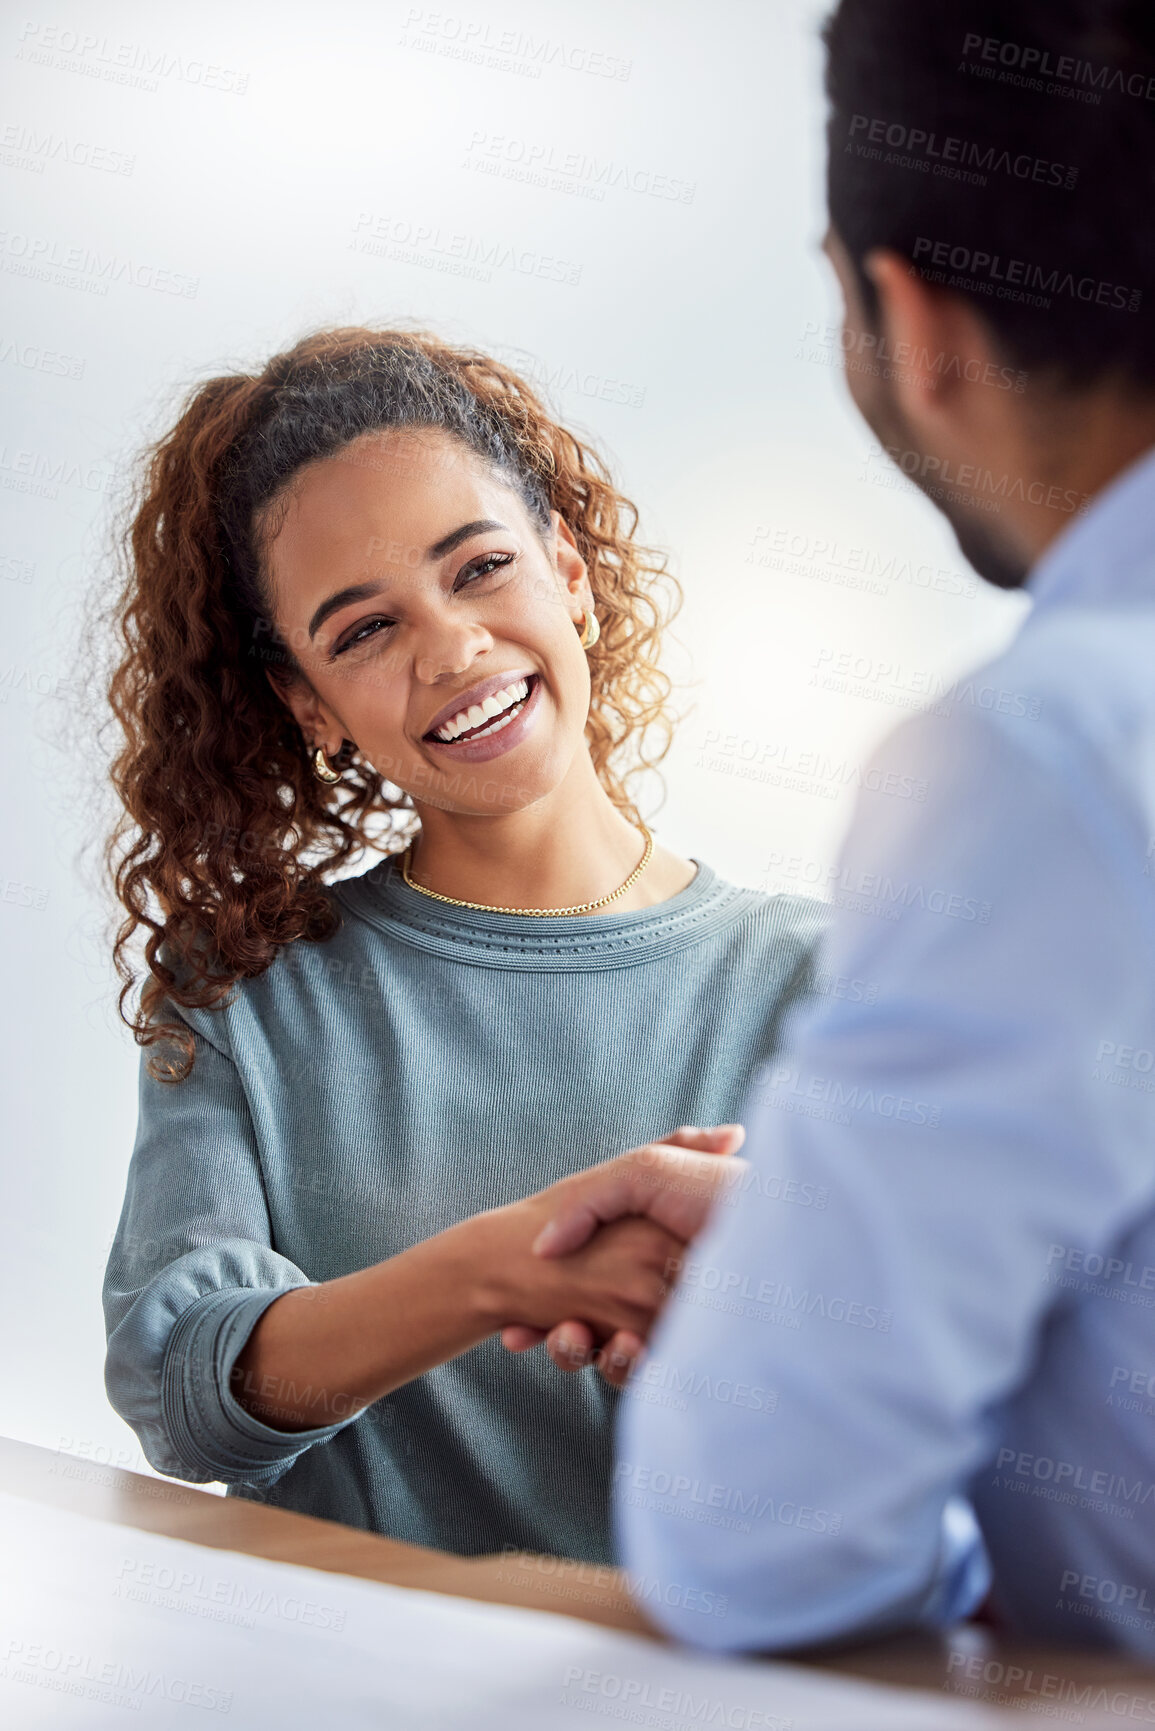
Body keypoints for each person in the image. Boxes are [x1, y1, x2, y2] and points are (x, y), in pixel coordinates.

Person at [519, 0, 1155, 1656]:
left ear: (908, 317)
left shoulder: (1060, 753)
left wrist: (792, 1312)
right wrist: (857, 1235)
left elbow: (764, 1545)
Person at [98, 326, 824, 1565]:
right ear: (311, 706)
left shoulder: (830, 985)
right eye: (363, 630)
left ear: (572, 572)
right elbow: (181, 1394)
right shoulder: (248, 1000)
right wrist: (508, 1273)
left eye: (480, 567)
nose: (449, 648)